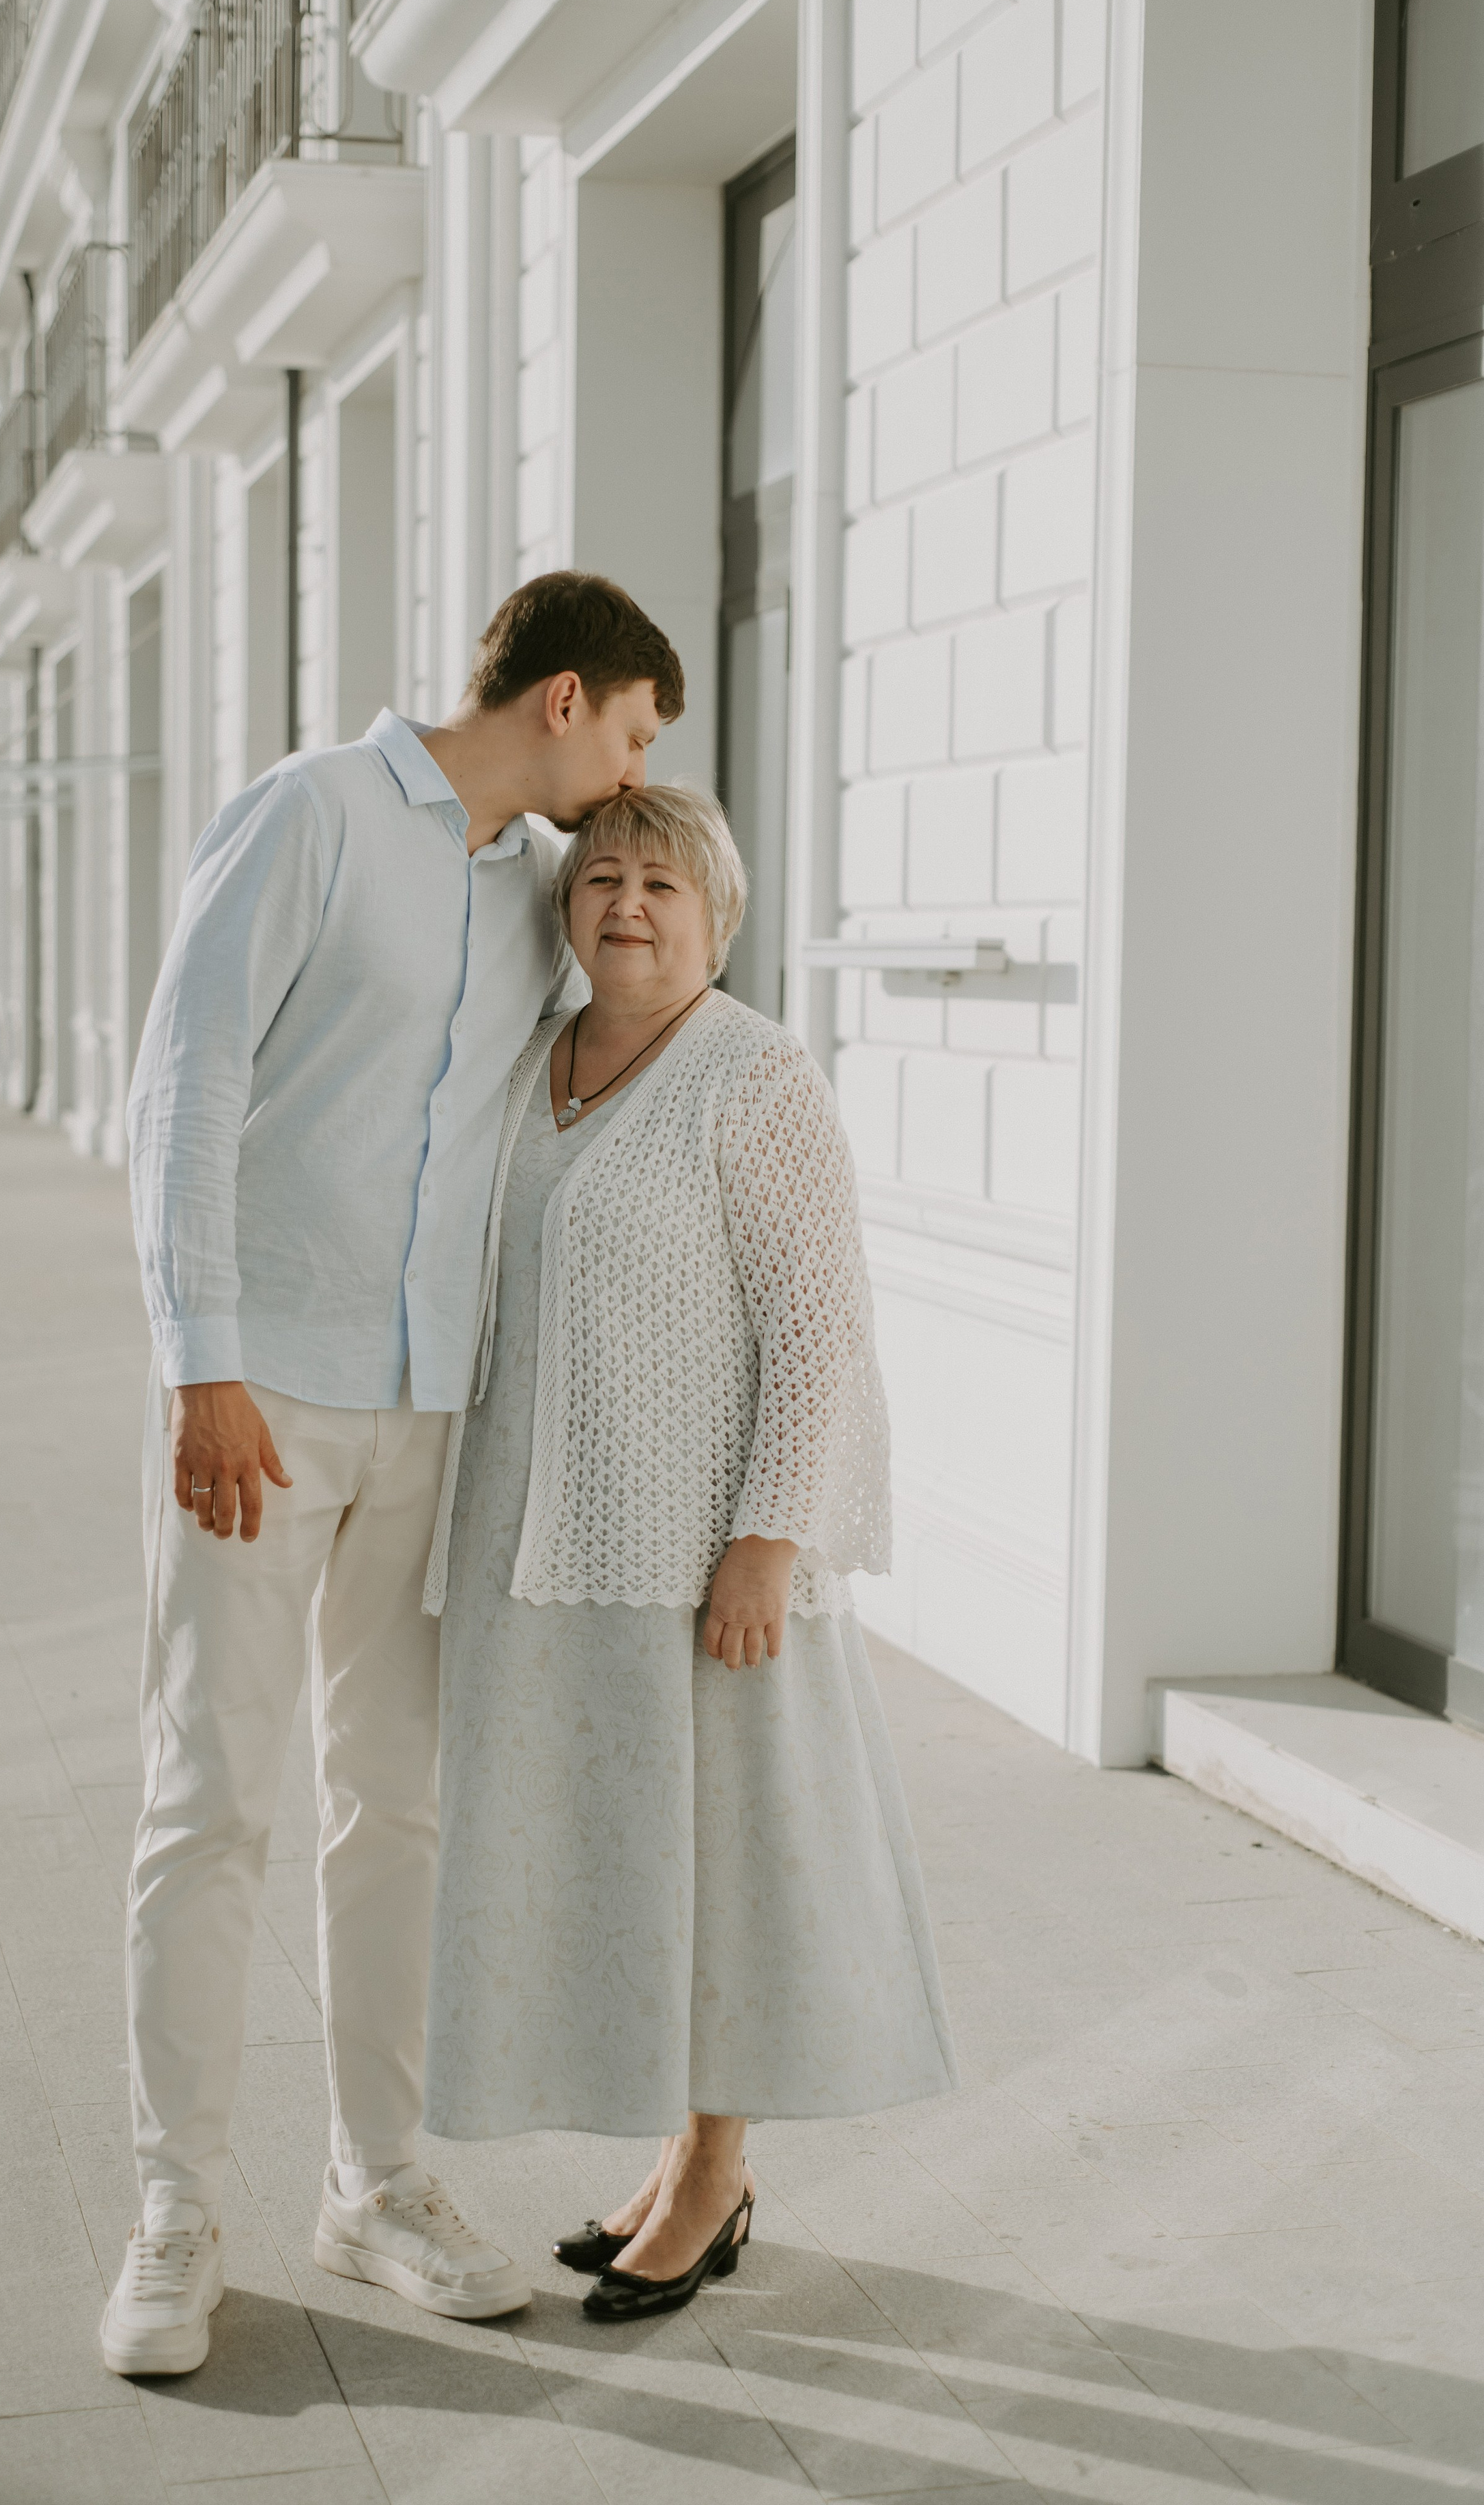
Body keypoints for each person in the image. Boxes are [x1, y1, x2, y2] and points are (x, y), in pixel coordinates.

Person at [103, 574, 686, 2377]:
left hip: (435, 1416)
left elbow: (658, 983)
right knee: (211, 1803)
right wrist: (200, 1360)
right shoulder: (312, 813)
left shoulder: (537, 890)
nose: (639, 776)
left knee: (399, 1811)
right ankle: (173, 2212)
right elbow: (188, 1083)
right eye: (640, 737)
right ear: (568, 698)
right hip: (259, 1402)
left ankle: (375, 2182)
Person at [421, 781, 958, 2322]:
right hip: (547, 1547)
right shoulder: (534, 1065)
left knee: (722, 1865)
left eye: (660, 880)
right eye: (599, 878)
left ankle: (715, 2176)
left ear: (717, 913)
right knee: (629, 1865)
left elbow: (817, 1328)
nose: (625, 903)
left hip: (695, 1558)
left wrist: (766, 1545)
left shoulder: (757, 1072)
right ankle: (670, 2156)